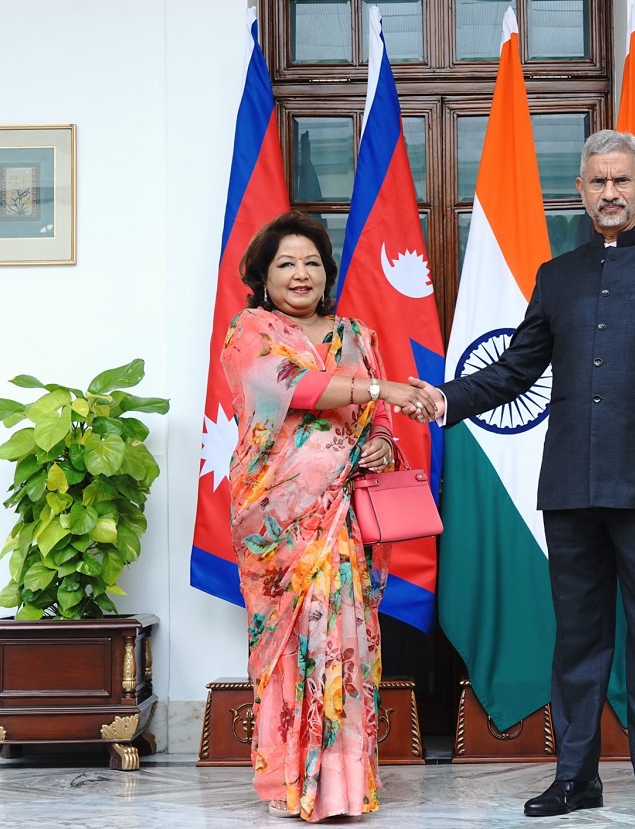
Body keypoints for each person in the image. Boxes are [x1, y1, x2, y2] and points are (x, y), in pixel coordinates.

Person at [414, 130, 635, 821]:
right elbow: (515, 369)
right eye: (598, 181)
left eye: (621, 180)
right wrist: (446, 398)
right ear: (579, 191)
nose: (610, 193)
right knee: (578, 637)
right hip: (570, 487)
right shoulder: (557, 276)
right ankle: (575, 778)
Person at [221, 211, 436, 822]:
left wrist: (382, 441)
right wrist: (382, 391)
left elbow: (380, 421)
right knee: (289, 646)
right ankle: (288, 781)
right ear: (263, 276)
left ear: (327, 272)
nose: (301, 274)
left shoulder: (356, 335)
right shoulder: (251, 332)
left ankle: (342, 785)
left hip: (345, 519)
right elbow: (296, 386)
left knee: (346, 643)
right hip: (278, 523)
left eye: (312, 262)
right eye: (286, 263)